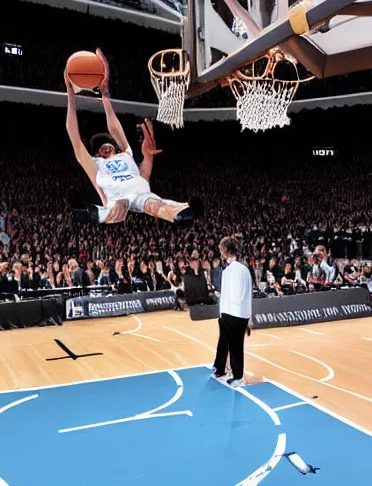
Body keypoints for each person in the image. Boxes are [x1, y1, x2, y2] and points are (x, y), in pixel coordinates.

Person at [64, 48, 203, 226]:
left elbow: (116, 129)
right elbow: (75, 139)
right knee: (119, 208)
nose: (107, 146)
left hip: (139, 191)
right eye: (103, 147)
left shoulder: (126, 154)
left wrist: (105, 97)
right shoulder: (96, 164)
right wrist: (71, 97)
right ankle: (86, 213)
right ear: (97, 153)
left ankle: (183, 214)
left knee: (155, 205)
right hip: (116, 195)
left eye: (110, 144)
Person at [212, 236, 252, 387]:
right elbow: (248, 295)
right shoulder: (245, 270)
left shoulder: (229, 271)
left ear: (226, 251)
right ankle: (231, 372)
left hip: (231, 313)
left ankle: (236, 376)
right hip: (242, 314)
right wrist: (249, 316)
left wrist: (224, 313)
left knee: (234, 346)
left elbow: (233, 295)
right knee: (236, 346)